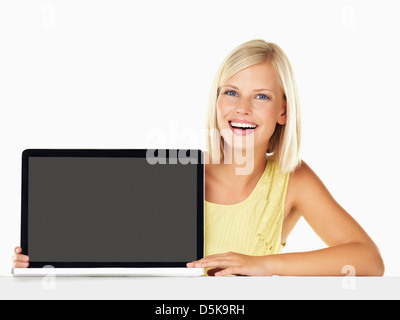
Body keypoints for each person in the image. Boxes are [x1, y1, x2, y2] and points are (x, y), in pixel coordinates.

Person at [12, 39, 384, 276]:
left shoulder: (292, 180)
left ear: (283, 112)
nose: (242, 109)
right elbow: (118, 254)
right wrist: (51, 259)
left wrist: (263, 265)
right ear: (216, 99)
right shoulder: (171, 173)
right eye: (231, 92)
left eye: (261, 97)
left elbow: (368, 260)